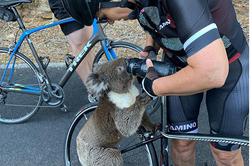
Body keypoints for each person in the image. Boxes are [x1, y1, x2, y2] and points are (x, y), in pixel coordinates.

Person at [61, 0, 249, 165]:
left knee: (225, 155)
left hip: (230, 68)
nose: (108, 21)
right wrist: (152, 46)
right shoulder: (136, 3)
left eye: (102, 17)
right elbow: (154, 15)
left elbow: (213, 73)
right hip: (178, 63)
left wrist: (153, 87)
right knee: (181, 144)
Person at [48, 0, 94, 91]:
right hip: (63, 3)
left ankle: (96, 81)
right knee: (78, 42)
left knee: (88, 42)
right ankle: (93, 90)